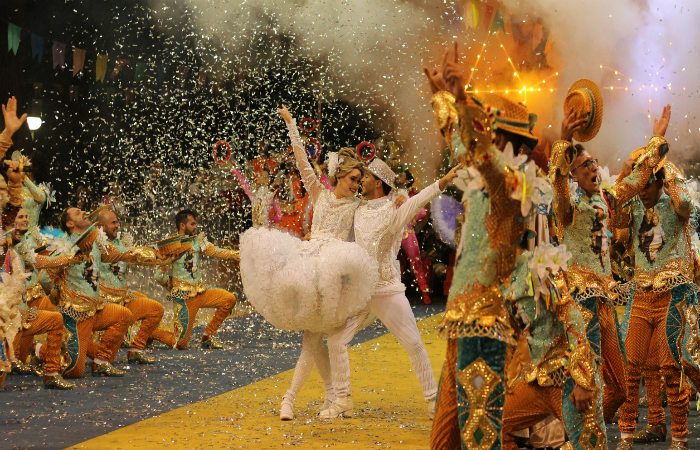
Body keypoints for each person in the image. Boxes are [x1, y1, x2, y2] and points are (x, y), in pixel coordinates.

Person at [424, 42, 549, 450]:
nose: (480, 142)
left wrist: (460, 99)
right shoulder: (484, 176)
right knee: (444, 436)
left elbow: (479, 155)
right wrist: (442, 97)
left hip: (487, 322)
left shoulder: (516, 185)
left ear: (506, 142)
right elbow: (461, 148)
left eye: (490, 133)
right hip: (461, 319)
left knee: (480, 434)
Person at [239, 105, 381, 420]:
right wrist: (291, 125)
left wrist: (396, 197)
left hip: (331, 271)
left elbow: (381, 210)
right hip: (308, 263)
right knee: (313, 337)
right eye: (353, 178)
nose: (356, 184)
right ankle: (331, 397)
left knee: (314, 338)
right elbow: (302, 159)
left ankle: (292, 399)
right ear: (340, 176)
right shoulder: (320, 193)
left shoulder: (358, 206)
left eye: (359, 180)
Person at [551, 100, 673, 427]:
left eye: (593, 161)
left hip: (604, 303)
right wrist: (563, 144)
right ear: (573, 174)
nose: (593, 167)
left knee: (618, 389)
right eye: (584, 165)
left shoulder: (606, 196)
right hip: (580, 305)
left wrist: (655, 139)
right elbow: (560, 190)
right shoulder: (566, 208)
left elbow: (638, 179)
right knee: (586, 385)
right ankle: (580, 438)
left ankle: (573, 438)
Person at [322, 158, 461, 418]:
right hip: (361, 291)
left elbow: (419, 201)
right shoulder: (357, 207)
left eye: (364, 178)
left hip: (387, 290)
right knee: (336, 341)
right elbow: (338, 199)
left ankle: (433, 401)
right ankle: (343, 401)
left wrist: (442, 181)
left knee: (414, 344)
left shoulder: (395, 210)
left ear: (377, 182)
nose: (360, 181)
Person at [613, 160, 700, 450]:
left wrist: (667, 169)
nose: (643, 191)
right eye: (640, 185)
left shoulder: (677, 207)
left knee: (670, 368)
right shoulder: (635, 206)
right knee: (631, 366)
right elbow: (619, 228)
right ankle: (625, 435)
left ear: (661, 182)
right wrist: (632, 174)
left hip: (671, 296)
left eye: (648, 184)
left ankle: (679, 438)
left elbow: (686, 204)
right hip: (640, 296)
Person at [54, 207, 134, 378]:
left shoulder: (97, 242)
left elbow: (121, 254)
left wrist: (151, 256)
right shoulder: (64, 245)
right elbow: (46, 277)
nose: (84, 212)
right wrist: (58, 285)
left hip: (96, 309)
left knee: (123, 315)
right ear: (69, 223)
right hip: (76, 315)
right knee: (74, 372)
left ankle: (101, 362)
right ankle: (41, 350)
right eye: (77, 213)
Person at [95, 209, 175, 362]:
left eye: (118, 222)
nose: (117, 225)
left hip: (124, 300)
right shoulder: (98, 245)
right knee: (103, 357)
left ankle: (135, 350)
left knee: (155, 309)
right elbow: (131, 253)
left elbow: (136, 256)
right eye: (113, 223)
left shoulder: (119, 242)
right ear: (102, 226)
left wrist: (163, 260)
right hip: (104, 306)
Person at [154, 209, 240, 350]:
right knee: (180, 344)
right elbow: (158, 275)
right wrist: (175, 288)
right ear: (182, 225)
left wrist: (237, 254)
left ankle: (208, 336)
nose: (195, 227)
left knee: (228, 299)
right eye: (192, 224)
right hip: (183, 299)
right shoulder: (170, 245)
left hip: (200, 292)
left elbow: (216, 251)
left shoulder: (197, 241)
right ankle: (151, 332)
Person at [10, 208, 76, 389]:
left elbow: (40, 261)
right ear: (9, 223)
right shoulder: (4, 248)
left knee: (56, 319)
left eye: (26, 216)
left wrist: (68, 258)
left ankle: (51, 374)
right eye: (20, 217)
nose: (26, 219)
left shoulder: (23, 245)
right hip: (6, 323)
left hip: (24, 316)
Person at [395, 169, 432, 304]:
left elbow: (422, 212)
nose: (397, 177)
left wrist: (412, 221)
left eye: (400, 175)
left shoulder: (412, 195)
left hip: (407, 233)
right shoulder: (390, 192)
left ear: (406, 181)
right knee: (388, 263)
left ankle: (425, 294)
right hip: (393, 234)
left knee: (416, 264)